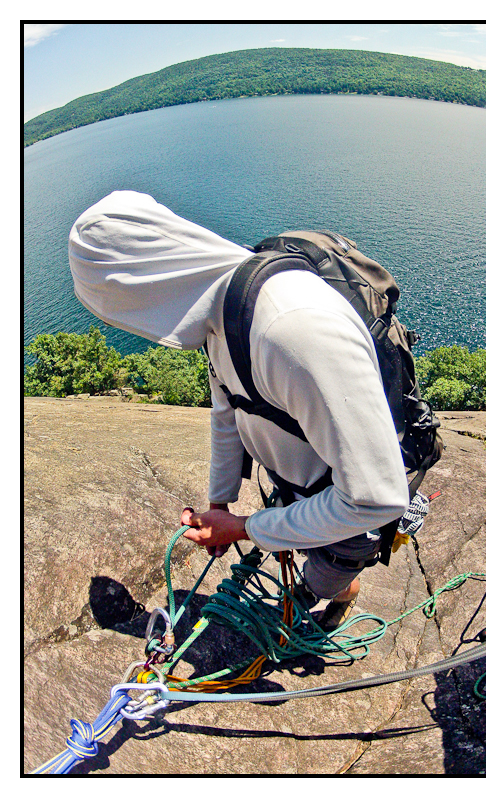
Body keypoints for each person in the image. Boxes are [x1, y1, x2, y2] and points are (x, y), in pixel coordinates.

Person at [69, 190, 411, 628]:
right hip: (302, 487)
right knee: (310, 548)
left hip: (345, 509)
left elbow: (373, 500)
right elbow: (227, 406)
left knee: (329, 574)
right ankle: (319, 580)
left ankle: (338, 594)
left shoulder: (292, 329)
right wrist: (221, 504)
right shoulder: (223, 305)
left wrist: (249, 528)